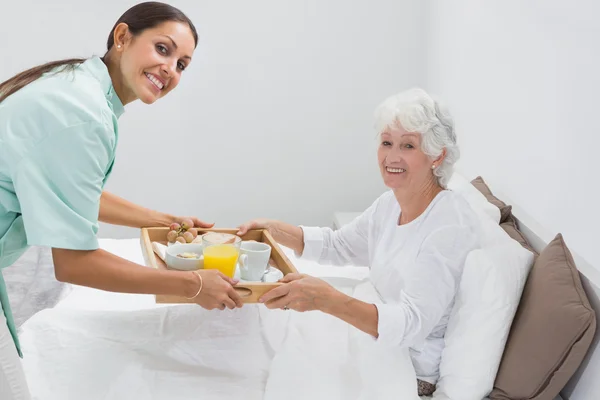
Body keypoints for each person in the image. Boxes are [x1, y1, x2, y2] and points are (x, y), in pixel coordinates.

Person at [0, 2, 243, 398]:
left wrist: (163, 222)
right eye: (163, 49)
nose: (170, 69)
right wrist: (192, 286)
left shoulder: (78, 85)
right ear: (122, 37)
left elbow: (71, 191)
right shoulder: (80, 113)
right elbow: (74, 263)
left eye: (182, 64)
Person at [237, 88, 481, 396]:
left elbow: (411, 324)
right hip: (373, 342)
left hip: (405, 368)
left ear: (438, 155)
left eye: (408, 146)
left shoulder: (449, 225)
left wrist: (327, 300)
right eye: (386, 142)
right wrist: (276, 230)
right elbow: (339, 245)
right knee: (255, 328)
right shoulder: (390, 204)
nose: (392, 157)